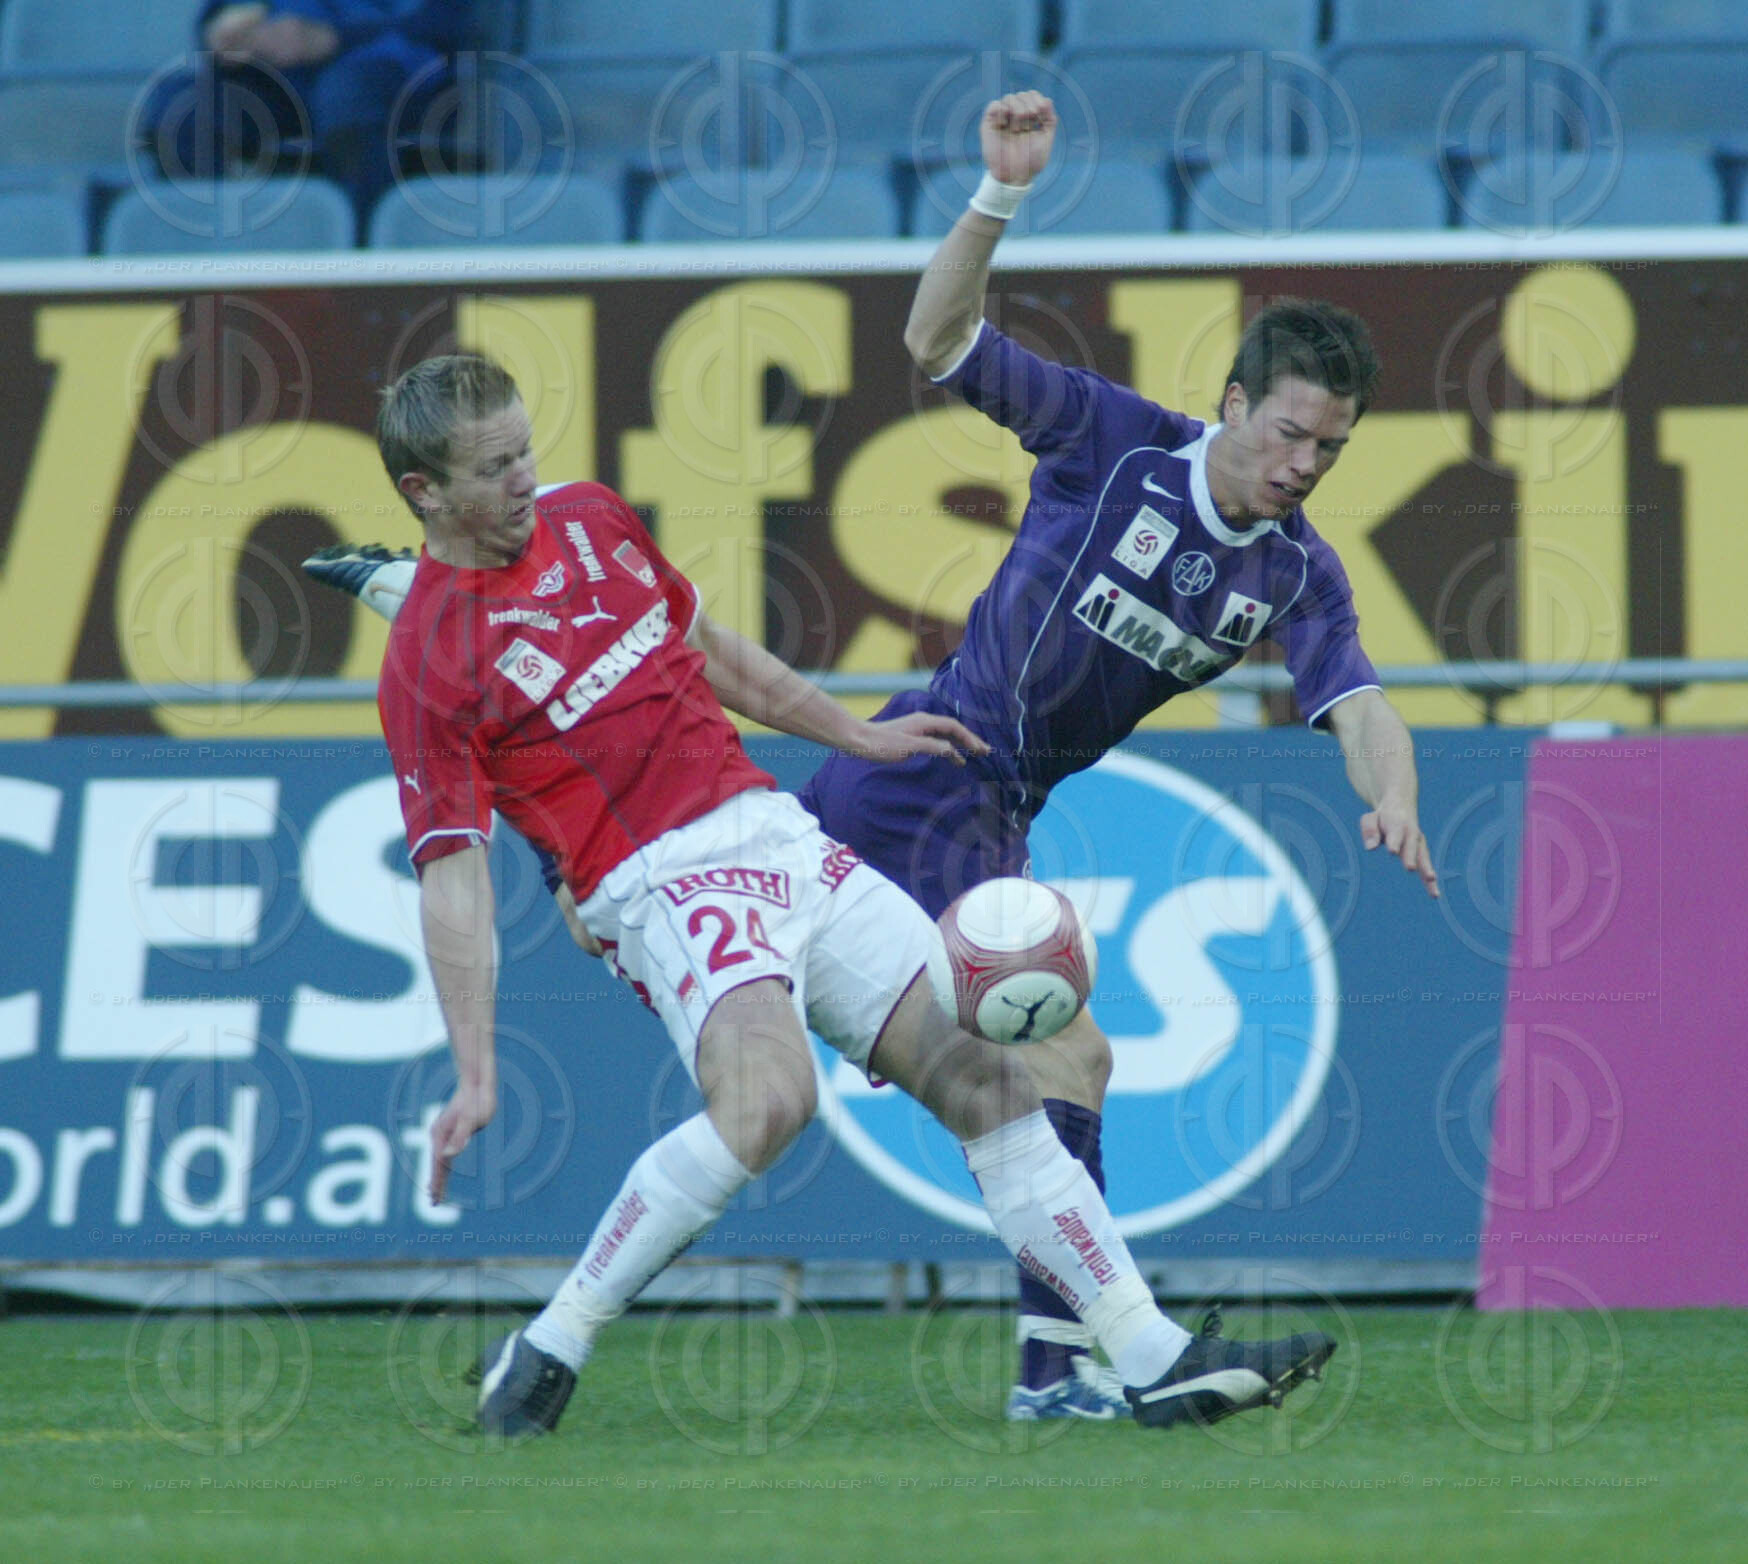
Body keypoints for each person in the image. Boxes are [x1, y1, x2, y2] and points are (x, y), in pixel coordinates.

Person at [308, 86, 1439, 1425]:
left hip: (856, 815)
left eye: (1332, 447)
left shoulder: (1294, 575)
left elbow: (709, 655)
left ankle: (1122, 1358)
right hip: (799, 823)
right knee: (894, 1086)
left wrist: (1397, 798)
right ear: (1234, 403)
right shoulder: (1114, 440)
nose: (1306, 463)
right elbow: (938, 335)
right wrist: (1000, 194)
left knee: (1005, 1077)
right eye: (1289, 431)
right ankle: (1018, 1374)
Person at [361, 350, 1334, 1439]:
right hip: (660, 878)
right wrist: (476, 1068)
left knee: (990, 1081)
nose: (526, 481)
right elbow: (450, 878)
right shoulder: (426, 659)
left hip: (773, 831)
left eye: (526, 451)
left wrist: (855, 733)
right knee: (769, 1102)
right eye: (494, 469)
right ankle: (548, 1347)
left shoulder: (588, 518)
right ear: (424, 492)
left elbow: (708, 652)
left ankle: (1152, 1357)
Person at [141, 2, 470, 218]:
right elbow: (222, 16)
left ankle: (362, 273)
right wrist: (226, 28)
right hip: (277, 82)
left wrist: (335, 37)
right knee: (180, 107)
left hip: (393, 75)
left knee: (347, 98)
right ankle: (208, 270)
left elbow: (446, 24)